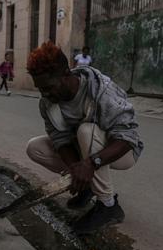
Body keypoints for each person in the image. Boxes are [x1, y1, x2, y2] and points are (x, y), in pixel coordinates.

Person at [26, 41, 143, 234]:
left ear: (66, 74)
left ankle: (108, 206)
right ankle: (87, 186)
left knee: (86, 131)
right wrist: (76, 169)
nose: (45, 93)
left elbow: (127, 137)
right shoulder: (47, 103)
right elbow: (60, 139)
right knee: (34, 147)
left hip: (121, 153)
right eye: (40, 89)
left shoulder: (101, 90)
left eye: (48, 87)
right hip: (85, 153)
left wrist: (91, 163)